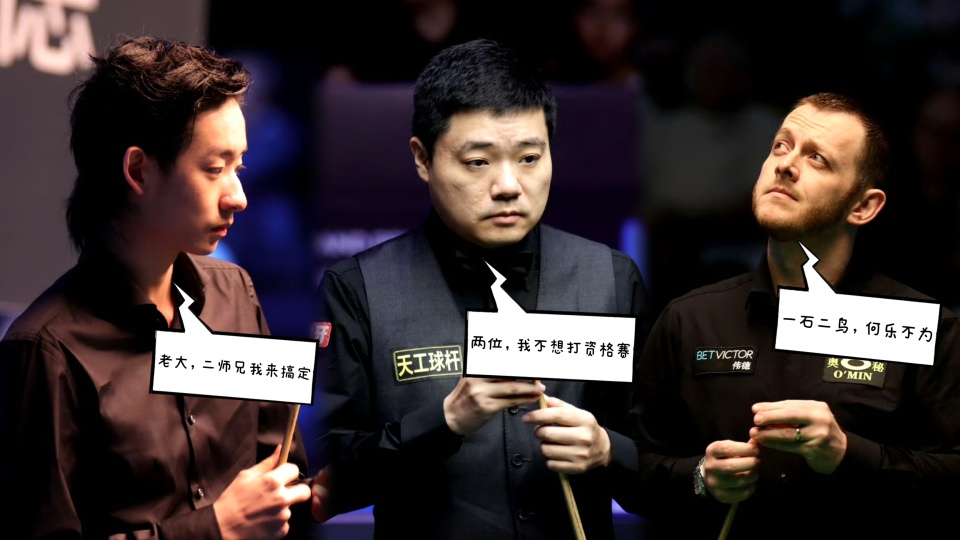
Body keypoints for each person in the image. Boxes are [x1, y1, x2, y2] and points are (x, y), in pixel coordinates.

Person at [312, 38, 649, 539]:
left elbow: (658, 472)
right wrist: (445, 420)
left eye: (529, 158)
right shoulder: (358, 289)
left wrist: (608, 451)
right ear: (422, 158)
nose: (508, 185)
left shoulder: (611, 279)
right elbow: (334, 480)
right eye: (478, 162)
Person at [0, 36, 316, 539]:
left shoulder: (235, 293)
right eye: (215, 169)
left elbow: (283, 466)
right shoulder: (47, 352)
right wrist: (216, 527)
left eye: (239, 167)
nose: (238, 196)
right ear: (138, 171)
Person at [630, 92, 960, 538]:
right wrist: (698, 477)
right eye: (781, 146)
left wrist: (848, 452)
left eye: (818, 159)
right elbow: (633, 468)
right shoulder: (689, 320)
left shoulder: (925, 328)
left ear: (863, 206)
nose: (785, 164)